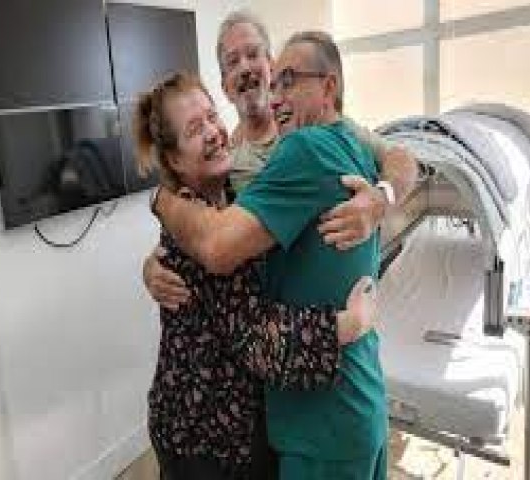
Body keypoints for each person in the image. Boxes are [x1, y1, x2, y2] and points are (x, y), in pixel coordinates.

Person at [151, 31, 394, 479]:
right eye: (194, 128)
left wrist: (385, 195)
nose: (274, 91)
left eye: (287, 79)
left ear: (328, 87)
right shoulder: (225, 189)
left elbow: (403, 158)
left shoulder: (302, 148)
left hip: (316, 420)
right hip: (210, 433)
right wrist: (347, 324)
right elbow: (218, 259)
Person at [143, 9, 418, 310]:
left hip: (323, 316)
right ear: (225, 87)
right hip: (280, 321)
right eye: (232, 62)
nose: (245, 67)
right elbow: (207, 225)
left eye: (253, 54)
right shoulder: (224, 160)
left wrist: (382, 199)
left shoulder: (318, 132)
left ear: (270, 66)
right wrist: (159, 259)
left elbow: (403, 159)